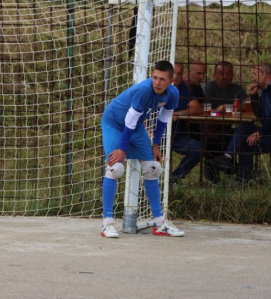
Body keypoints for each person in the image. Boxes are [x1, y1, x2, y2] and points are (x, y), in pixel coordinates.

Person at [100, 60, 185, 238]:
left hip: (136, 127)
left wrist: (156, 145)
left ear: (171, 81)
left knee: (152, 169)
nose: (157, 82)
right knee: (115, 168)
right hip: (115, 123)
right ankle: (106, 223)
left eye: (162, 79)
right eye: (154, 77)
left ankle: (159, 224)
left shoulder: (173, 94)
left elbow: (164, 117)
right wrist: (121, 151)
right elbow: (128, 121)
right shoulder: (144, 91)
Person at [210, 62, 271, 183]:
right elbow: (259, 115)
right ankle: (230, 161)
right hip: (269, 131)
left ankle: (242, 178)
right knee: (245, 126)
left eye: (255, 74)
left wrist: (259, 133)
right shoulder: (266, 90)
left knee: (246, 142)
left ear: (263, 73)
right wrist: (253, 96)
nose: (253, 78)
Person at [202, 61, 247, 160]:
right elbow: (204, 110)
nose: (225, 77)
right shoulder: (208, 87)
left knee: (243, 137)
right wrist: (217, 110)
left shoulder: (236, 88)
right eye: (221, 73)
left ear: (232, 75)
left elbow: (249, 105)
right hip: (208, 130)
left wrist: (235, 108)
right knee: (212, 144)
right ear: (214, 75)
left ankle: (239, 171)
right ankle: (213, 170)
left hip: (227, 130)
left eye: (228, 74)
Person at [170, 62, 203, 182]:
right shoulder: (158, 87)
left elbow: (197, 108)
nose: (177, 76)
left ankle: (175, 178)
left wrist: (179, 113)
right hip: (156, 135)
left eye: (179, 73)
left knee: (198, 149)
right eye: (174, 73)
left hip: (176, 136)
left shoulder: (183, 88)